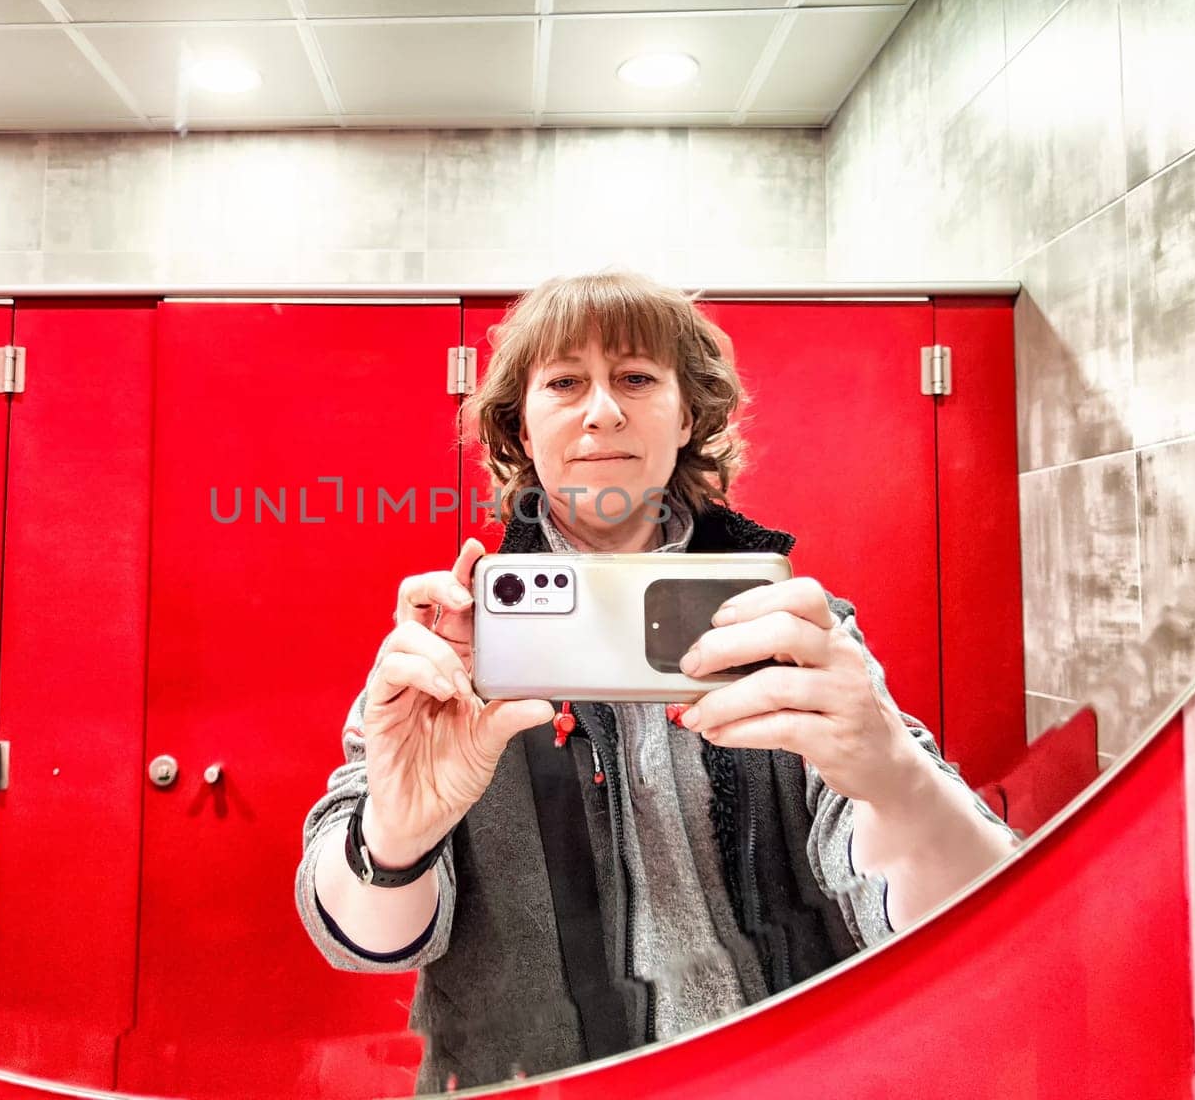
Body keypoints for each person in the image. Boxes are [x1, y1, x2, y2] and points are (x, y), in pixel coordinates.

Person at [295, 269, 1019, 1092]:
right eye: (565, 382)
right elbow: (362, 940)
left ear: (687, 418)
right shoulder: (456, 642)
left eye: (636, 378)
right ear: (521, 430)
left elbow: (974, 913)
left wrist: (898, 780)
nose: (602, 410)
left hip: (800, 1077)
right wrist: (396, 833)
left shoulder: (789, 629)